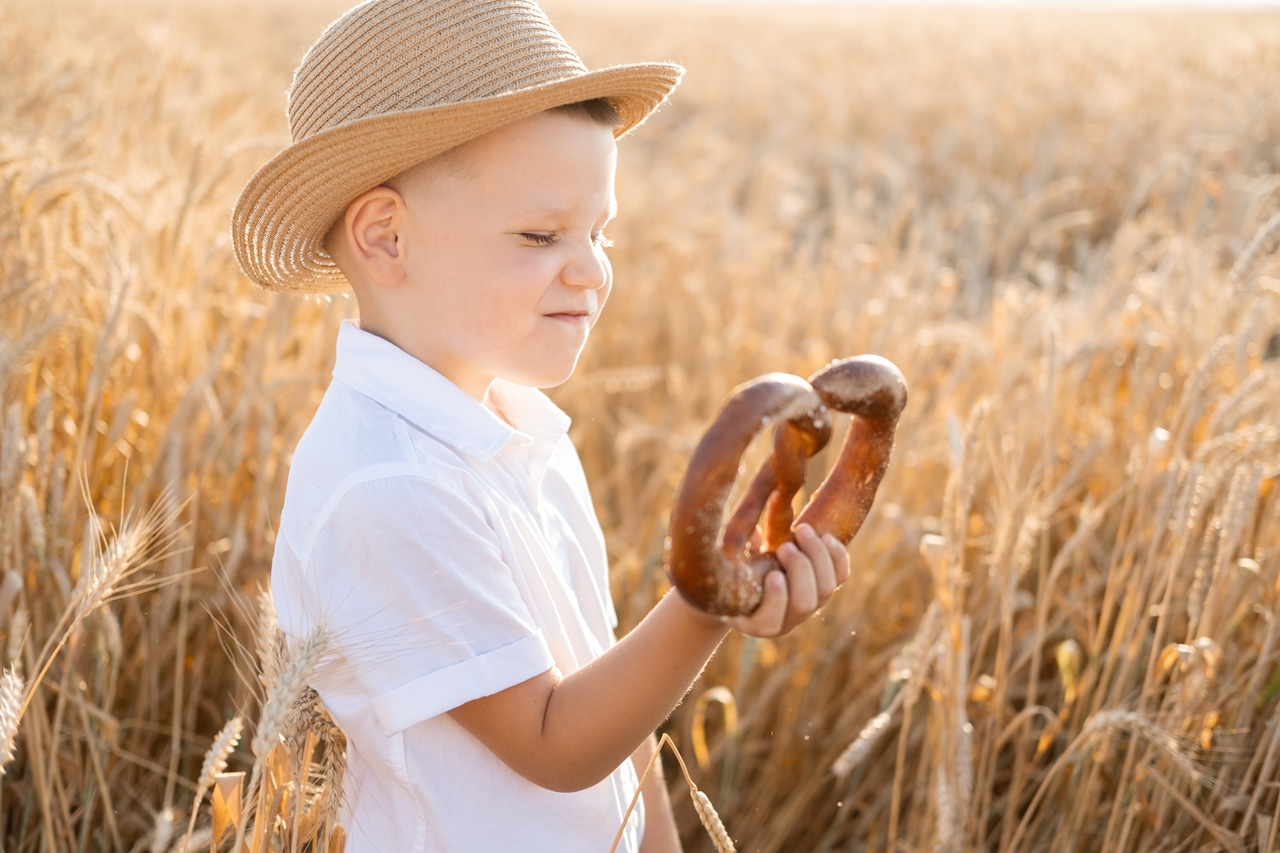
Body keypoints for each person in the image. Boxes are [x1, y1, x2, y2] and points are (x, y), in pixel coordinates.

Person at [231, 1, 849, 850]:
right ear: (385, 237)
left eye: (600, 232)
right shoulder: (386, 483)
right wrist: (706, 605)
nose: (591, 268)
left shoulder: (521, 427)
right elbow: (555, 742)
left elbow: (607, 698)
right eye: (540, 233)